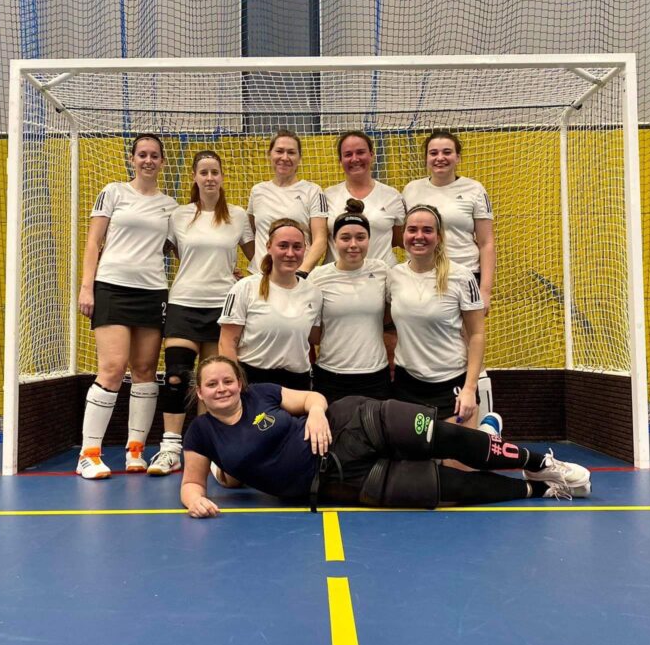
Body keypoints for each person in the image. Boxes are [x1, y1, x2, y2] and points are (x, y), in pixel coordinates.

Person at [179, 356, 591, 518]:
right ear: (200, 392)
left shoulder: (262, 394)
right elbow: (191, 483)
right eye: (212, 384)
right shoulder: (202, 433)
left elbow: (311, 398)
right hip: (339, 480)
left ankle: (540, 463)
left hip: (352, 423)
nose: (222, 388)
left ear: (239, 383)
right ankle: (541, 491)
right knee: (447, 488)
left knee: (446, 438)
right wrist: (195, 500)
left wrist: (317, 413)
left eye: (228, 381)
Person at [75, 134, 178, 480]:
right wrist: (87, 287)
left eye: (154, 155)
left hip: (152, 292)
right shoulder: (113, 192)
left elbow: (182, 248)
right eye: (142, 154)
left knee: (146, 369)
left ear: (162, 162)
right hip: (112, 288)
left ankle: (136, 450)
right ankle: (88, 454)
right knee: (113, 368)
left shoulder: (170, 206)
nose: (148, 160)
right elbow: (94, 242)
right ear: (132, 159)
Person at [155, 150, 255, 475]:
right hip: (183, 303)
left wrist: (246, 279)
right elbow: (162, 252)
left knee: (212, 382)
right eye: (204, 172)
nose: (209, 177)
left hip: (222, 308)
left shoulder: (237, 216)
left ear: (222, 177)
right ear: (194, 177)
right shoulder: (179, 216)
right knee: (176, 377)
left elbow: (256, 258)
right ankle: (171, 449)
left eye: (215, 172)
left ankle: (207, 449)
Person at [387, 204, 486, 428]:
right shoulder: (393, 276)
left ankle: (488, 431)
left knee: (455, 452)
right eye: (412, 230)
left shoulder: (462, 277)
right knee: (415, 452)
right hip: (407, 386)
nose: (419, 236)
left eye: (427, 230)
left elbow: (477, 335)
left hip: (452, 385)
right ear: (403, 234)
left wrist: (470, 388)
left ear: (439, 237)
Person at [218, 218, 323, 390]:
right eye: (283, 246)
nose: (290, 253)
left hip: (297, 384)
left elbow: (314, 338)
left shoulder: (314, 293)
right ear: (268, 247)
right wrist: (235, 385)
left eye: (297, 247)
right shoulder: (245, 288)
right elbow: (226, 343)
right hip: (253, 381)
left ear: (305, 249)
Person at [402, 130, 496, 312]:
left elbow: (487, 243)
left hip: (464, 274)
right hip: (421, 275)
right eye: (433, 153)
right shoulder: (411, 189)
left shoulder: (474, 189)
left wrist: (485, 291)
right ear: (426, 158)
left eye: (447, 152)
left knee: (466, 331)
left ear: (458, 157)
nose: (440, 158)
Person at [309, 199, 391, 403]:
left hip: (375, 376)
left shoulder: (382, 271)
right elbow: (313, 333)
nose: (353, 244)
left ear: (369, 240)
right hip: (330, 375)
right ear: (334, 240)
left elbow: (389, 317)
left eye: (360, 237)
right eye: (345, 238)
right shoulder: (318, 276)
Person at [247, 130, 328, 276]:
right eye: (279, 151)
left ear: (299, 157)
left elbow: (320, 240)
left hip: (296, 277)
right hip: (261, 277)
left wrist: (301, 272)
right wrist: (259, 264)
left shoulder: (314, 191)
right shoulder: (257, 191)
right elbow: (254, 233)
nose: (284, 157)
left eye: (291, 152)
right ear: (270, 154)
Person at [324, 131, 405, 267]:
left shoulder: (392, 196)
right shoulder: (327, 196)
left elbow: (399, 240)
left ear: (371, 155)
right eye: (348, 154)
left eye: (360, 152)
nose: (355, 159)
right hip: (338, 278)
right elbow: (319, 239)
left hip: (381, 276)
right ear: (340, 160)